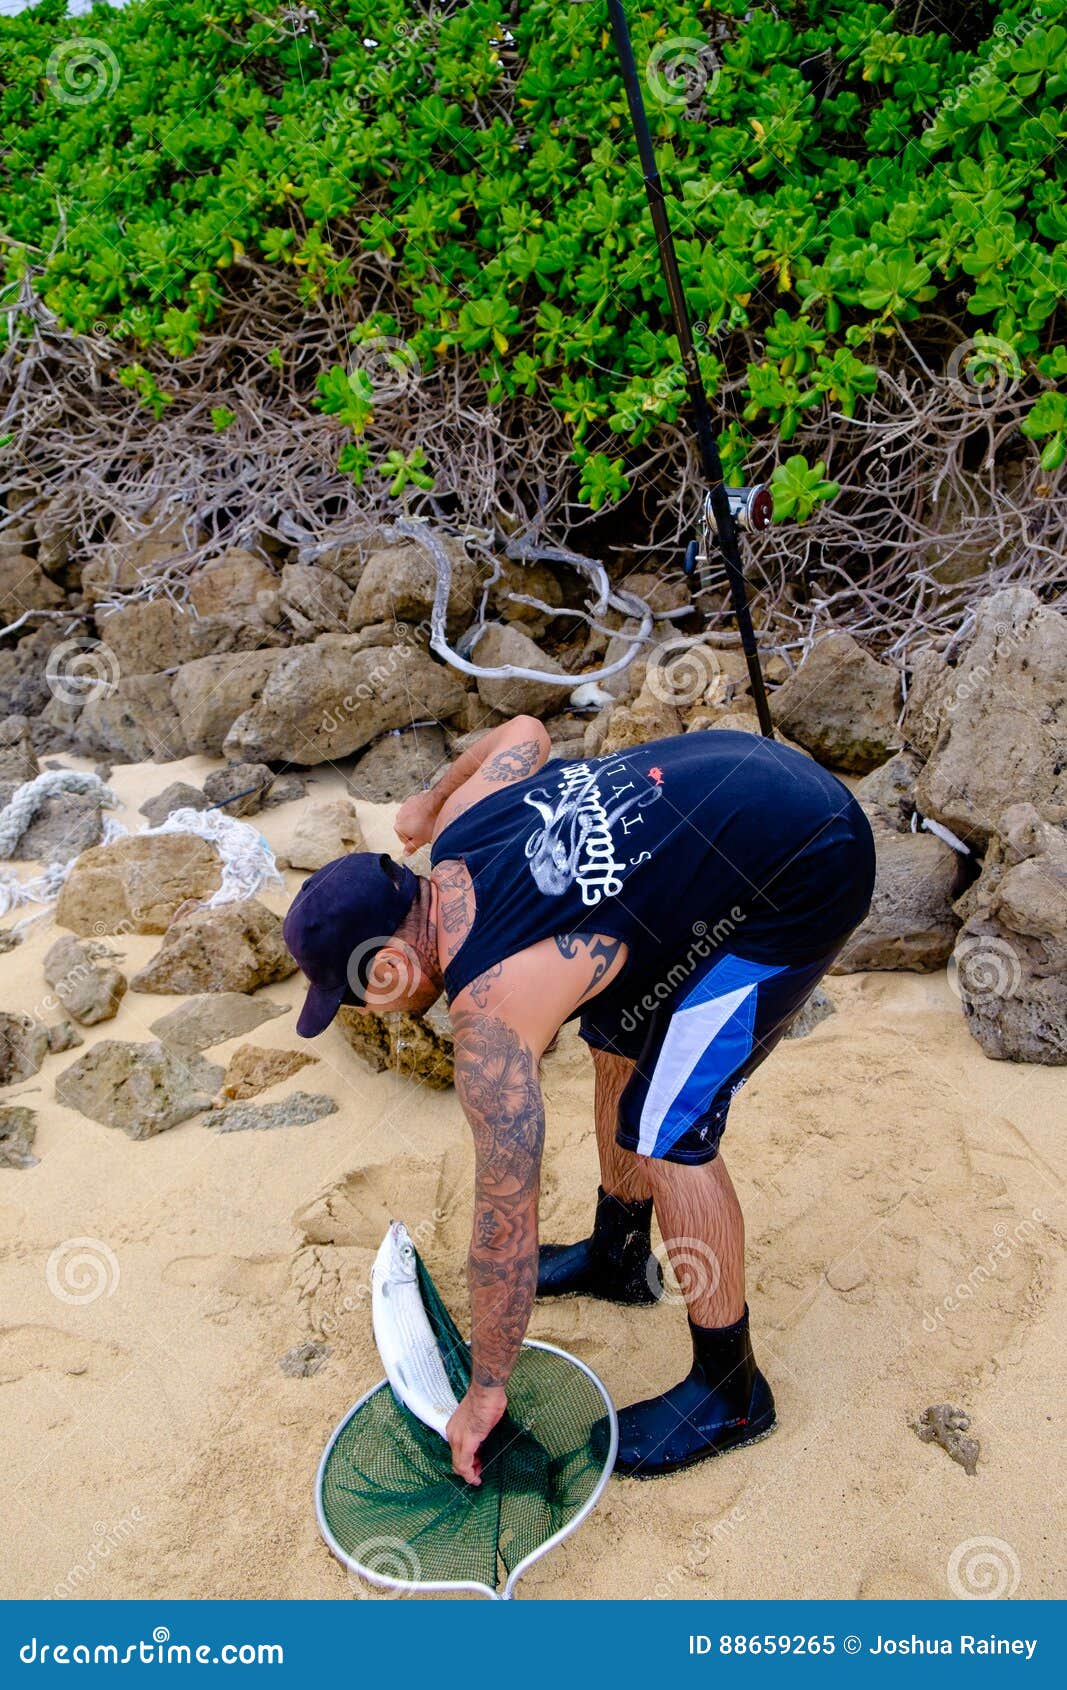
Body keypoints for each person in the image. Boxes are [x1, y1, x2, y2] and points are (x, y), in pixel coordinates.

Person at [283, 715, 875, 1482]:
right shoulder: (460, 831)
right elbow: (523, 734)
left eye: (351, 996)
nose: (361, 1012)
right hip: (743, 776)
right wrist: (430, 803)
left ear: (390, 964)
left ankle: (731, 1393)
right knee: (612, 1031)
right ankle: (618, 1255)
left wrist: (486, 1388)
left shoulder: (493, 1011)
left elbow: (505, 1213)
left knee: (666, 1129)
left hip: (802, 865)